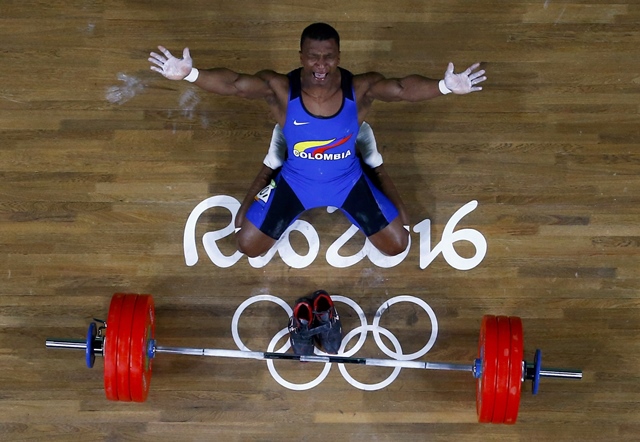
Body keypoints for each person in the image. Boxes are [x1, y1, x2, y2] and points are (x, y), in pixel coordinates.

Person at [149, 23, 486, 260]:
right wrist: (191, 75)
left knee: (398, 244)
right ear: (301, 55)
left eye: (328, 56)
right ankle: (272, 165)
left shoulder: (360, 89)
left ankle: (374, 166)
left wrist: (443, 87)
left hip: (348, 180)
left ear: (338, 55)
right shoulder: (281, 90)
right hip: (296, 181)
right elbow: (235, 84)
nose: (320, 65)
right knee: (245, 243)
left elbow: (400, 89)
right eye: (313, 56)